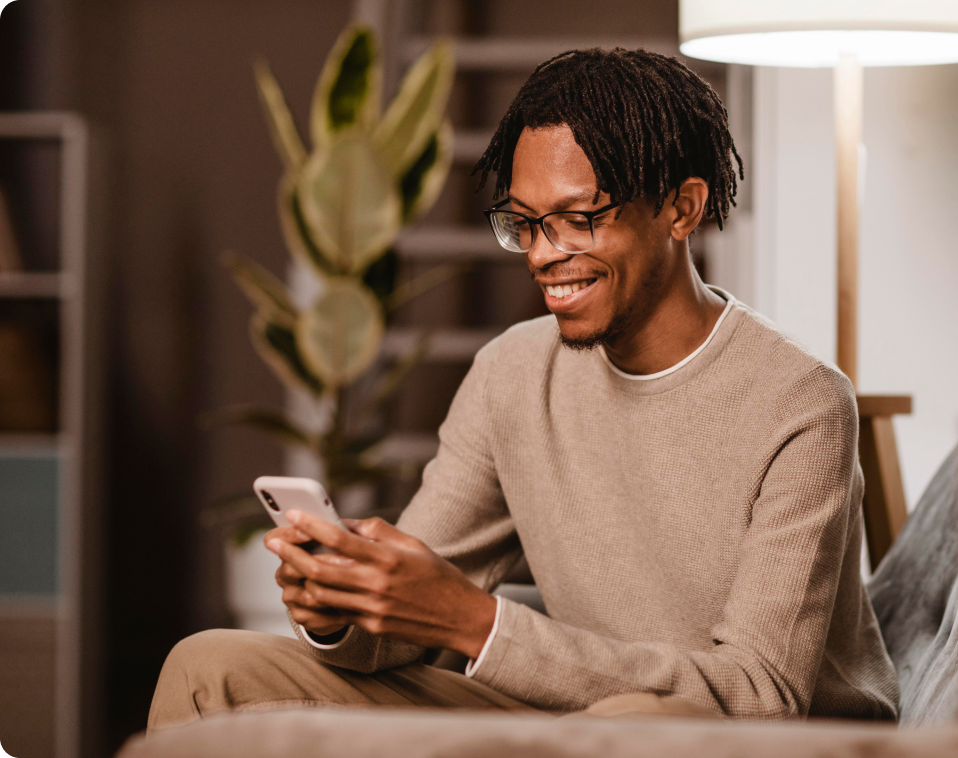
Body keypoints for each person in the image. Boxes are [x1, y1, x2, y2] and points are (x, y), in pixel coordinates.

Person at [148, 47, 899, 729]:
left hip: (732, 738)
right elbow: (413, 617)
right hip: (571, 715)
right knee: (209, 669)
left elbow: (761, 699)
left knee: (638, 725)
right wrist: (346, 610)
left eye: (579, 219)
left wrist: (480, 625)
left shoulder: (801, 403)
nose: (545, 254)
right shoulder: (512, 373)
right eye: (526, 224)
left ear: (682, 208)